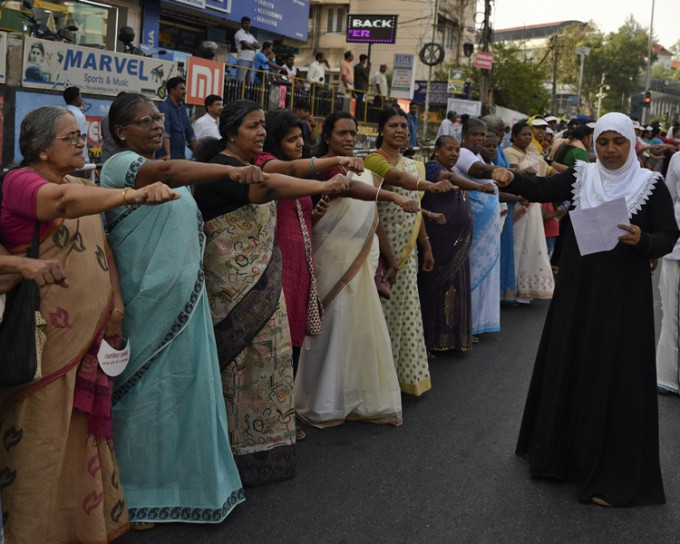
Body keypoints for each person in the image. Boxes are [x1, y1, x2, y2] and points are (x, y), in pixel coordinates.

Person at [0, 105, 178, 543]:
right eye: (70, 137)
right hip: (44, 339)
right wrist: (132, 195)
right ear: (41, 149)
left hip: (87, 335)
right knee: (41, 436)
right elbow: (61, 205)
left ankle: (79, 527)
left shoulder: (80, 183)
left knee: (80, 434)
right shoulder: (22, 182)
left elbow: (101, 251)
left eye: (81, 135)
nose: (82, 142)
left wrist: (114, 299)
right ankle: (31, 532)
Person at [494, 112, 679, 506]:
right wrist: (512, 179)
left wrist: (644, 239)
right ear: (594, 144)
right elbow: (542, 187)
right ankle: (560, 457)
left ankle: (609, 468)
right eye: (604, 142)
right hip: (577, 293)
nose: (611, 150)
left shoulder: (650, 184)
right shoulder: (582, 177)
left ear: (632, 144)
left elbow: (668, 235)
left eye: (619, 142)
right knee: (571, 361)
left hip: (622, 301)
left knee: (613, 373)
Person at [99, 93, 263, 528]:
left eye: (158, 118)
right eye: (145, 120)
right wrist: (231, 168)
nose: (156, 125)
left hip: (186, 304)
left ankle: (186, 487)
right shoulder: (120, 167)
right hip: (146, 305)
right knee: (144, 401)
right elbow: (170, 171)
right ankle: (134, 494)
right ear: (120, 132)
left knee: (183, 397)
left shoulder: (176, 169)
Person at [192, 99, 350, 486]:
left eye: (263, 125)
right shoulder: (223, 171)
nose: (261, 132)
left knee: (267, 364)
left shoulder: (251, 164)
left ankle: (261, 446)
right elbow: (274, 185)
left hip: (263, 284)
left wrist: (324, 173)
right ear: (230, 133)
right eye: (252, 126)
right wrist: (325, 182)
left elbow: (290, 168)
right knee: (238, 368)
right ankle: (228, 456)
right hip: (230, 290)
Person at [295, 111, 419, 427]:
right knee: (332, 327)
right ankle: (322, 402)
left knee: (358, 328)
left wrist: (389, 259)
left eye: (352, 133)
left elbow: (374, 221)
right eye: (342, 134)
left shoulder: (363, 170)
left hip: (362, 260)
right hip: (329, 259)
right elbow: (309, 219)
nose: (349, 139)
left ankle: (354, 398)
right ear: (327, 137)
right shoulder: (318, 171)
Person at [364, 106, 455, 395]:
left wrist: (426, 246)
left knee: (406, 315)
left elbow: (416, 210)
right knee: (382, 315)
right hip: (381, 253)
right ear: (381, 130)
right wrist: (389, 258)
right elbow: (383, 198)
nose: (401, 130)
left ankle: (402, 379)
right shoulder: (373, 161)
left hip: (409, 254)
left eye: (404, 125)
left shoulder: (414, 164)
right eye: (393, 125)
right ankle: (378, 384)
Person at [419, 135, 496, 353]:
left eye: (456, 150)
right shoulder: (432, 169)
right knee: (436, 288)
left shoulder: (454, 173)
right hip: (440, 243)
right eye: (449, 149)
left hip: (457, 243)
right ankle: (432, 341)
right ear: (437, 151)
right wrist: (478, 187)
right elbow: (449, 177)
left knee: (457, 287)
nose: (454, 154)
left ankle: (454, 339)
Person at [452, 118, 505, 336]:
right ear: (464, 136)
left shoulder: (478, 155)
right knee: (471, 275)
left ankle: (477, 324)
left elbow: (491, 188)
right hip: (473, 228)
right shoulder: (465, 154)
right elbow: (479, 172)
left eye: (483, 135)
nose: (480, 139)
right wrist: (505, 173)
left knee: (485, 277)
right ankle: (466, 326)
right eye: (475, 134)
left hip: (486, 230)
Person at [504, 120, 554, 304]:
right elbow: (514, 175)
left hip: (531, 205)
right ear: (514, 136)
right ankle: (513, 288)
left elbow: (550, 171)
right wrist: (527, 172)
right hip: (519, 204)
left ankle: (527, 289)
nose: (527, 137)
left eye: (528, 134)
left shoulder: (531, 154)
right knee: (518, 245)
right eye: (523, 134)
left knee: (531, 244)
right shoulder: (511, 152)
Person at [657, 152, 680, 394]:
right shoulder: (677, 159)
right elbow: (668, 200)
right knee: (673, 312)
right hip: (677, 251)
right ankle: (669, 377)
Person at [156, 77, 196, 160]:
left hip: (180, 157)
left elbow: (190, 134)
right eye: (181, 89)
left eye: (185, 89)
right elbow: (165, 133)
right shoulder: (164, 107)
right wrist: (168, 154)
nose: (185, 92)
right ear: (172, 90)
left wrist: (199, 155)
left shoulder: (183, 108)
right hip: (166, 158)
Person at [63, 86, 89, 163]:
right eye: (80, 96)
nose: (81, 99)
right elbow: (81, 139)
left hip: (64, 158)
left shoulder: (62, 113)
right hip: (77, 159)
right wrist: (85, 160)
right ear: (77, 98)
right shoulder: (79, 116)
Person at [234, 16, 259, 84]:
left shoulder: (250, 35)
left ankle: (247, 95)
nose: (248, 25)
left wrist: (249, 45)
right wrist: (251, 46)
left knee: (250, 82)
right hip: (243, 60)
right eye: (246, 23)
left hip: (251, 61)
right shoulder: (239, 33)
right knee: (240, 81)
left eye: (249, 23)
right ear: (241, 24)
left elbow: (258, 46)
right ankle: (237, 95)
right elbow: (245, 44)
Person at [353, 54, 369, 120]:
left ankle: (356, 115)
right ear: (364, 60)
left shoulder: (355, 67)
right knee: (360, 104)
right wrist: (367, 70)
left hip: (356, 87)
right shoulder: (361, 68)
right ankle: (358, 117)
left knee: (357, 102)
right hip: (361, 88)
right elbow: (366, 76)